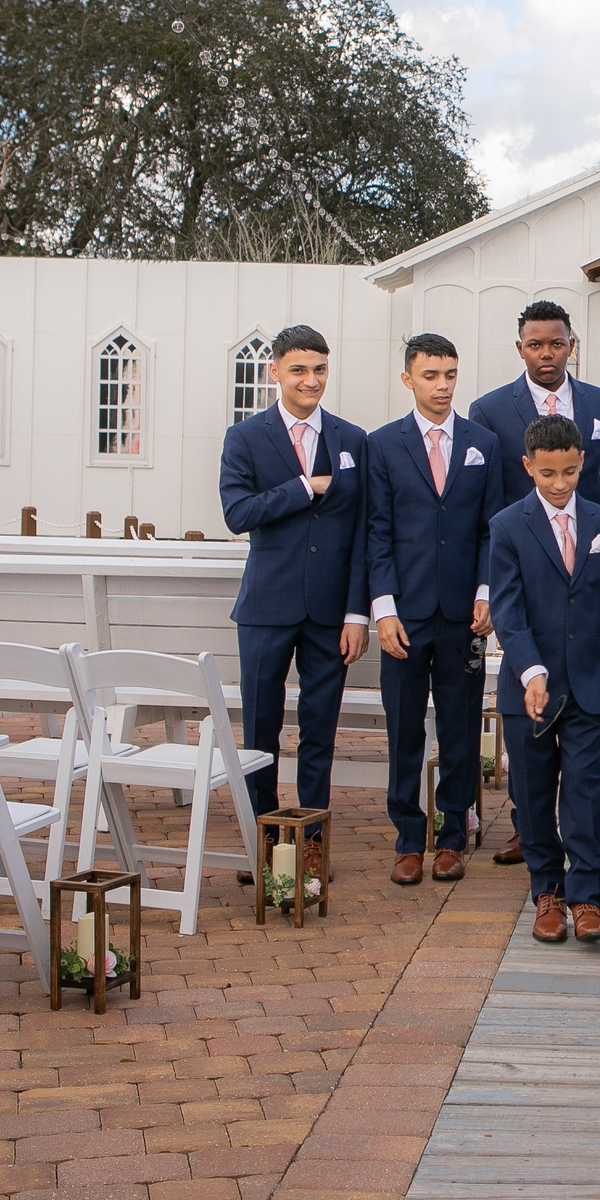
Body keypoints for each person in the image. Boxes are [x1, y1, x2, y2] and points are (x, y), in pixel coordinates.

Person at [469, 299, 600, 870]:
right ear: (520, 347)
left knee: (596, 721)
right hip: (529, 569)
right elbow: (491, 506)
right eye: (535, 344)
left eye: (557, 343)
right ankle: (530, 828)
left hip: (593, 568)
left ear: (572, 344)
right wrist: (490, 589)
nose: (547, 353)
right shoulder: (490, 410)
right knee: (535, 735)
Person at [217, 324, 370, 849]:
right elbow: (238, 513)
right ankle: (262, 841)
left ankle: (309, 842)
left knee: (320, 731)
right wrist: (305, 486)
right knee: (260, 732)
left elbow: (362, 533)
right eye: (299, 369)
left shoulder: (352, 440)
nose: (311, 380)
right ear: (274, 372)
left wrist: (357, 614)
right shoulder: (245, 437)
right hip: (266, 606)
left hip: (330, 611)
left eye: (320, 369)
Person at [486, 414, 600, 945]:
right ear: (528, 466)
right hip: (529, 690)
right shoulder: (506, 527)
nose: (560, 483)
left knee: (585, 791)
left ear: (582, 462)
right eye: (548, 473)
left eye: (570, 471)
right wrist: (531, 670)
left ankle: (588, 897)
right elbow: (508, 610)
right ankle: (547, 892)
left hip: (592, 686)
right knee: (532, 794)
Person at [367, 333, 497, 887]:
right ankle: (406, 837)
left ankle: (451, 837)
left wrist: (487, 591)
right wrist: (383, 608)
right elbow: (376, 531)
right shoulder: (382, 444)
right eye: (430, 376)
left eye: (449, 375)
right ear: (408, 379)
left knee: (461, 727)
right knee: (403, 729)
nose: (442, 386)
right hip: (406, 614)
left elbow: (494, 528)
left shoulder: (482, 443)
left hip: (464, 614)